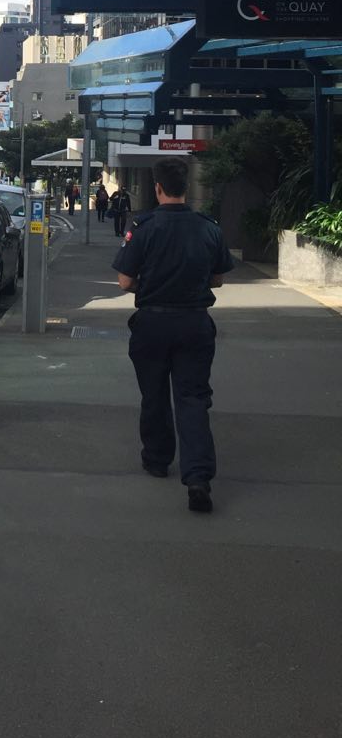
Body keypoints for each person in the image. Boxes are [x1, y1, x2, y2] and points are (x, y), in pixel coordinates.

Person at [112, 157, 234, 514]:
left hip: (152, 322)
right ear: (185, 187)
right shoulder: (208, 227)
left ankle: (157, 459)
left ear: (158, 188)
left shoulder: (144, 226)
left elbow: (123, 281)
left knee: (154, 395)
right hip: (195, 323)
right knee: (193, 398)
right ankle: (198, 477)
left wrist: (147, 282)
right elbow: (218, 278)